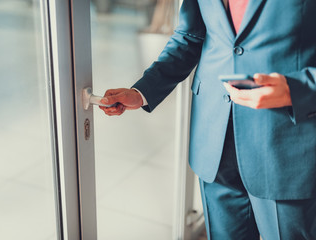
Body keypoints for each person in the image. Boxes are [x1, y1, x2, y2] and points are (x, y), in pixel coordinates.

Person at [99, 0, 316, 239]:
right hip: (215, 140)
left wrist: (296, 89)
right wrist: (143, 92)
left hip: (287, 145)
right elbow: (189, 37)